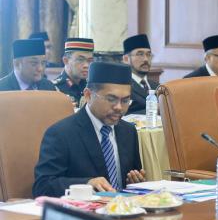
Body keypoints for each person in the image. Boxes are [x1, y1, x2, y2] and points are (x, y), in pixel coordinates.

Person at [33, 62, 145, 197]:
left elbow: (132, 179)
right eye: (111, 99)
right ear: (88, 95)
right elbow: (42, 186)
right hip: (83, 208)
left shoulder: (128, 131)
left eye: (125, 101)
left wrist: (134, 182)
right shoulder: (61, 134)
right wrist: (86, 184)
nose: (119, 107)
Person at [123, 34, 159, 114]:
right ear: (126, 59)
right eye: (140, 54)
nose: (146, 59)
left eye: (148, 54)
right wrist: (156, 109)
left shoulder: (157, 86)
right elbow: (124, 115)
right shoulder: (123, 86)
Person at [53, 38, 94, 107]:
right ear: (66, 61)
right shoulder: (54, 89)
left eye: (89, 61)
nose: (86, 65)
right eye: (80, 60)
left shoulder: (91, 88)